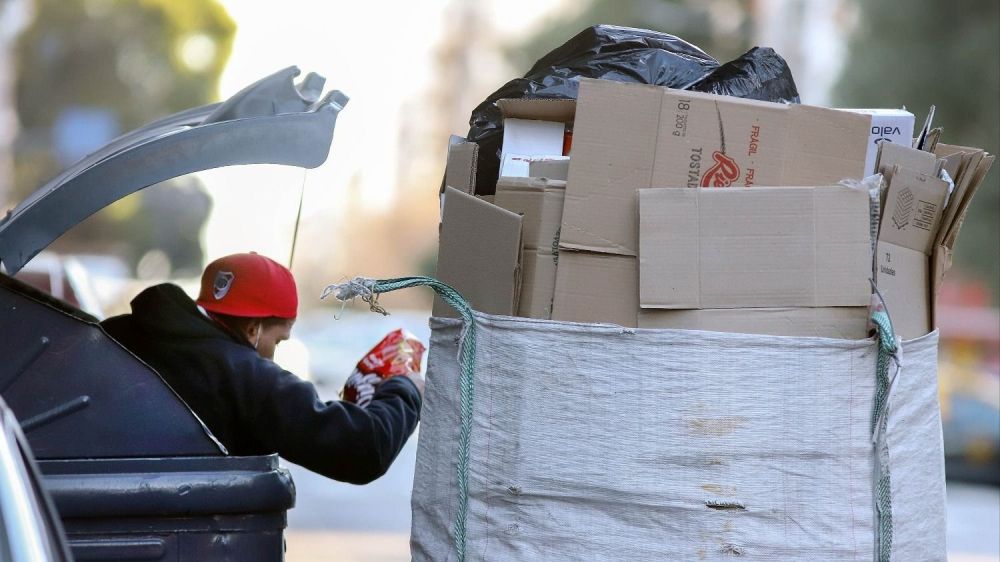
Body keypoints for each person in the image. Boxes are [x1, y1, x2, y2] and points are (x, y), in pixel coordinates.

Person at [101, 252, 422, 484]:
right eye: (279, 340)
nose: (273, 357)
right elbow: (364, 450)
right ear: (254, 329)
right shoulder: (245, 377)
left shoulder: (121, 333)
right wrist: (405, 387)